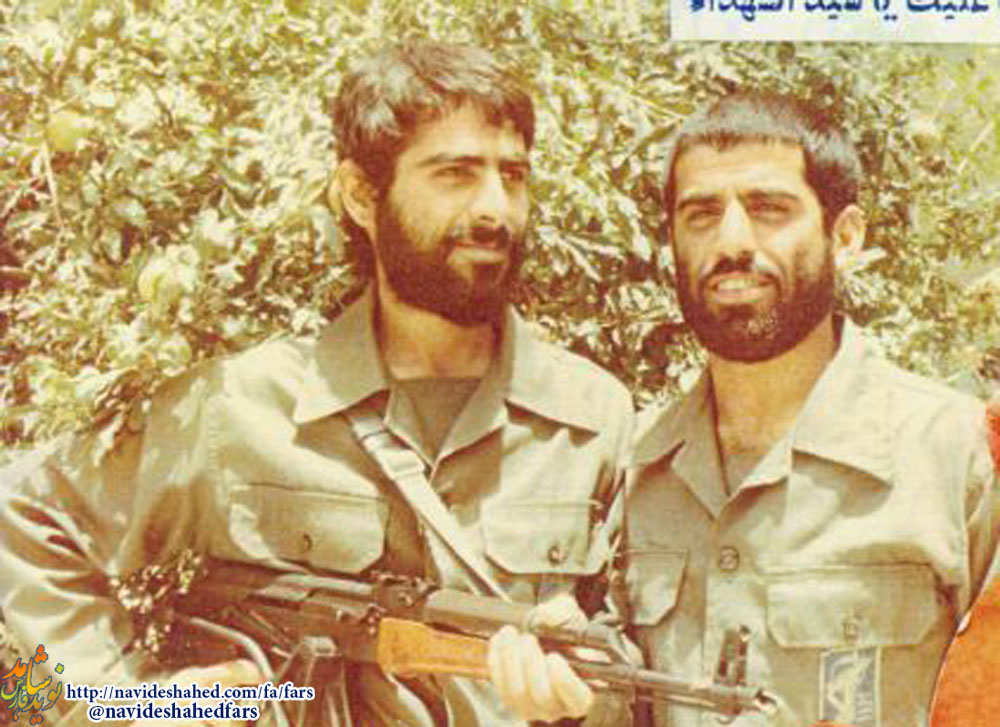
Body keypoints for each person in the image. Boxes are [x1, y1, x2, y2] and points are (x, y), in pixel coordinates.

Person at [0, 40, 632, 726]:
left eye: (513, 175)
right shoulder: (241, 406)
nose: (495, 208)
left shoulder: (595, 419)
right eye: (455, 173)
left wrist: (585, 704)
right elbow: (22, 515)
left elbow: (639, 667)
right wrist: (129, 705)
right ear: (361, 194)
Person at [490, 90, 1000, 727]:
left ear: (844, 237)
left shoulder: (957, 456)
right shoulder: (639, 465)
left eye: (769, 209)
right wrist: (572, 698)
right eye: (701, 214)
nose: (731, 241)